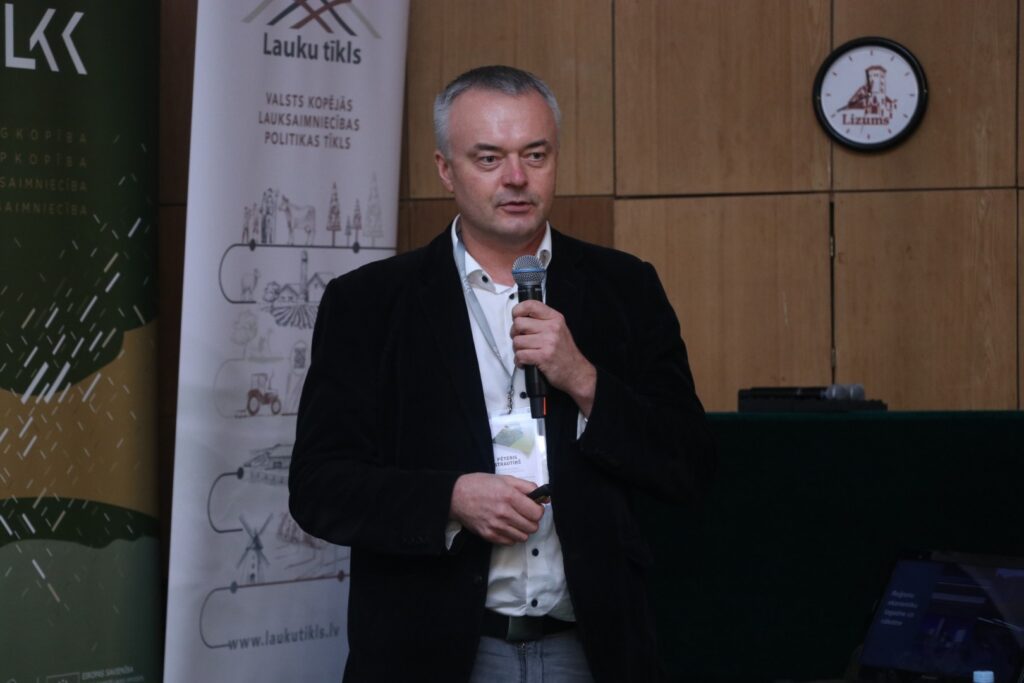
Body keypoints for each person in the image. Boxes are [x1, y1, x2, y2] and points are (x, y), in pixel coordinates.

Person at [289, 65, 716, 683]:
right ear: (445, 169)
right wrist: (450, 500)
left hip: (590, 647)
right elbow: (319, 487)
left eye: (534, 155)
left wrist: (584, 378)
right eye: (488, 158)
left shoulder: (625, 288)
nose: (516, 178)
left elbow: (690, 466)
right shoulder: (369, 304)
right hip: (432, 653)